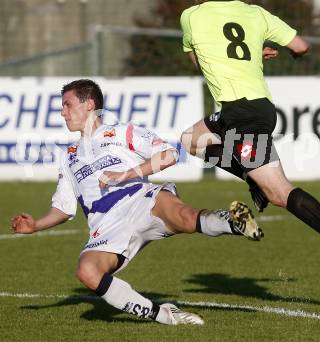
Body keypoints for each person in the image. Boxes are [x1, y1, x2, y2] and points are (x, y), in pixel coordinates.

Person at [11, 79, 264, 326]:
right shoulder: (69, 157)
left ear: (89, 104)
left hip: (141, 199)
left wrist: (127, 174)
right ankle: (165, 315)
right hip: (106, 225)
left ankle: (235, 223)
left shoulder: (123, 132)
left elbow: (170, 154)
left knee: (184, 217)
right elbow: (64, 208)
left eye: (67, 104)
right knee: (87, 272)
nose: (62, 111)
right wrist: (36, 225)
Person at [179, 0, 320, 283]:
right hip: (257, 109)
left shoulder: (191, 17)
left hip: (239, 113)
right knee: (199, 144)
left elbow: (199, 62)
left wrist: (241, 55)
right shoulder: (255, 13)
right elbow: (302, 46)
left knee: (271, 187)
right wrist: (257, 52)